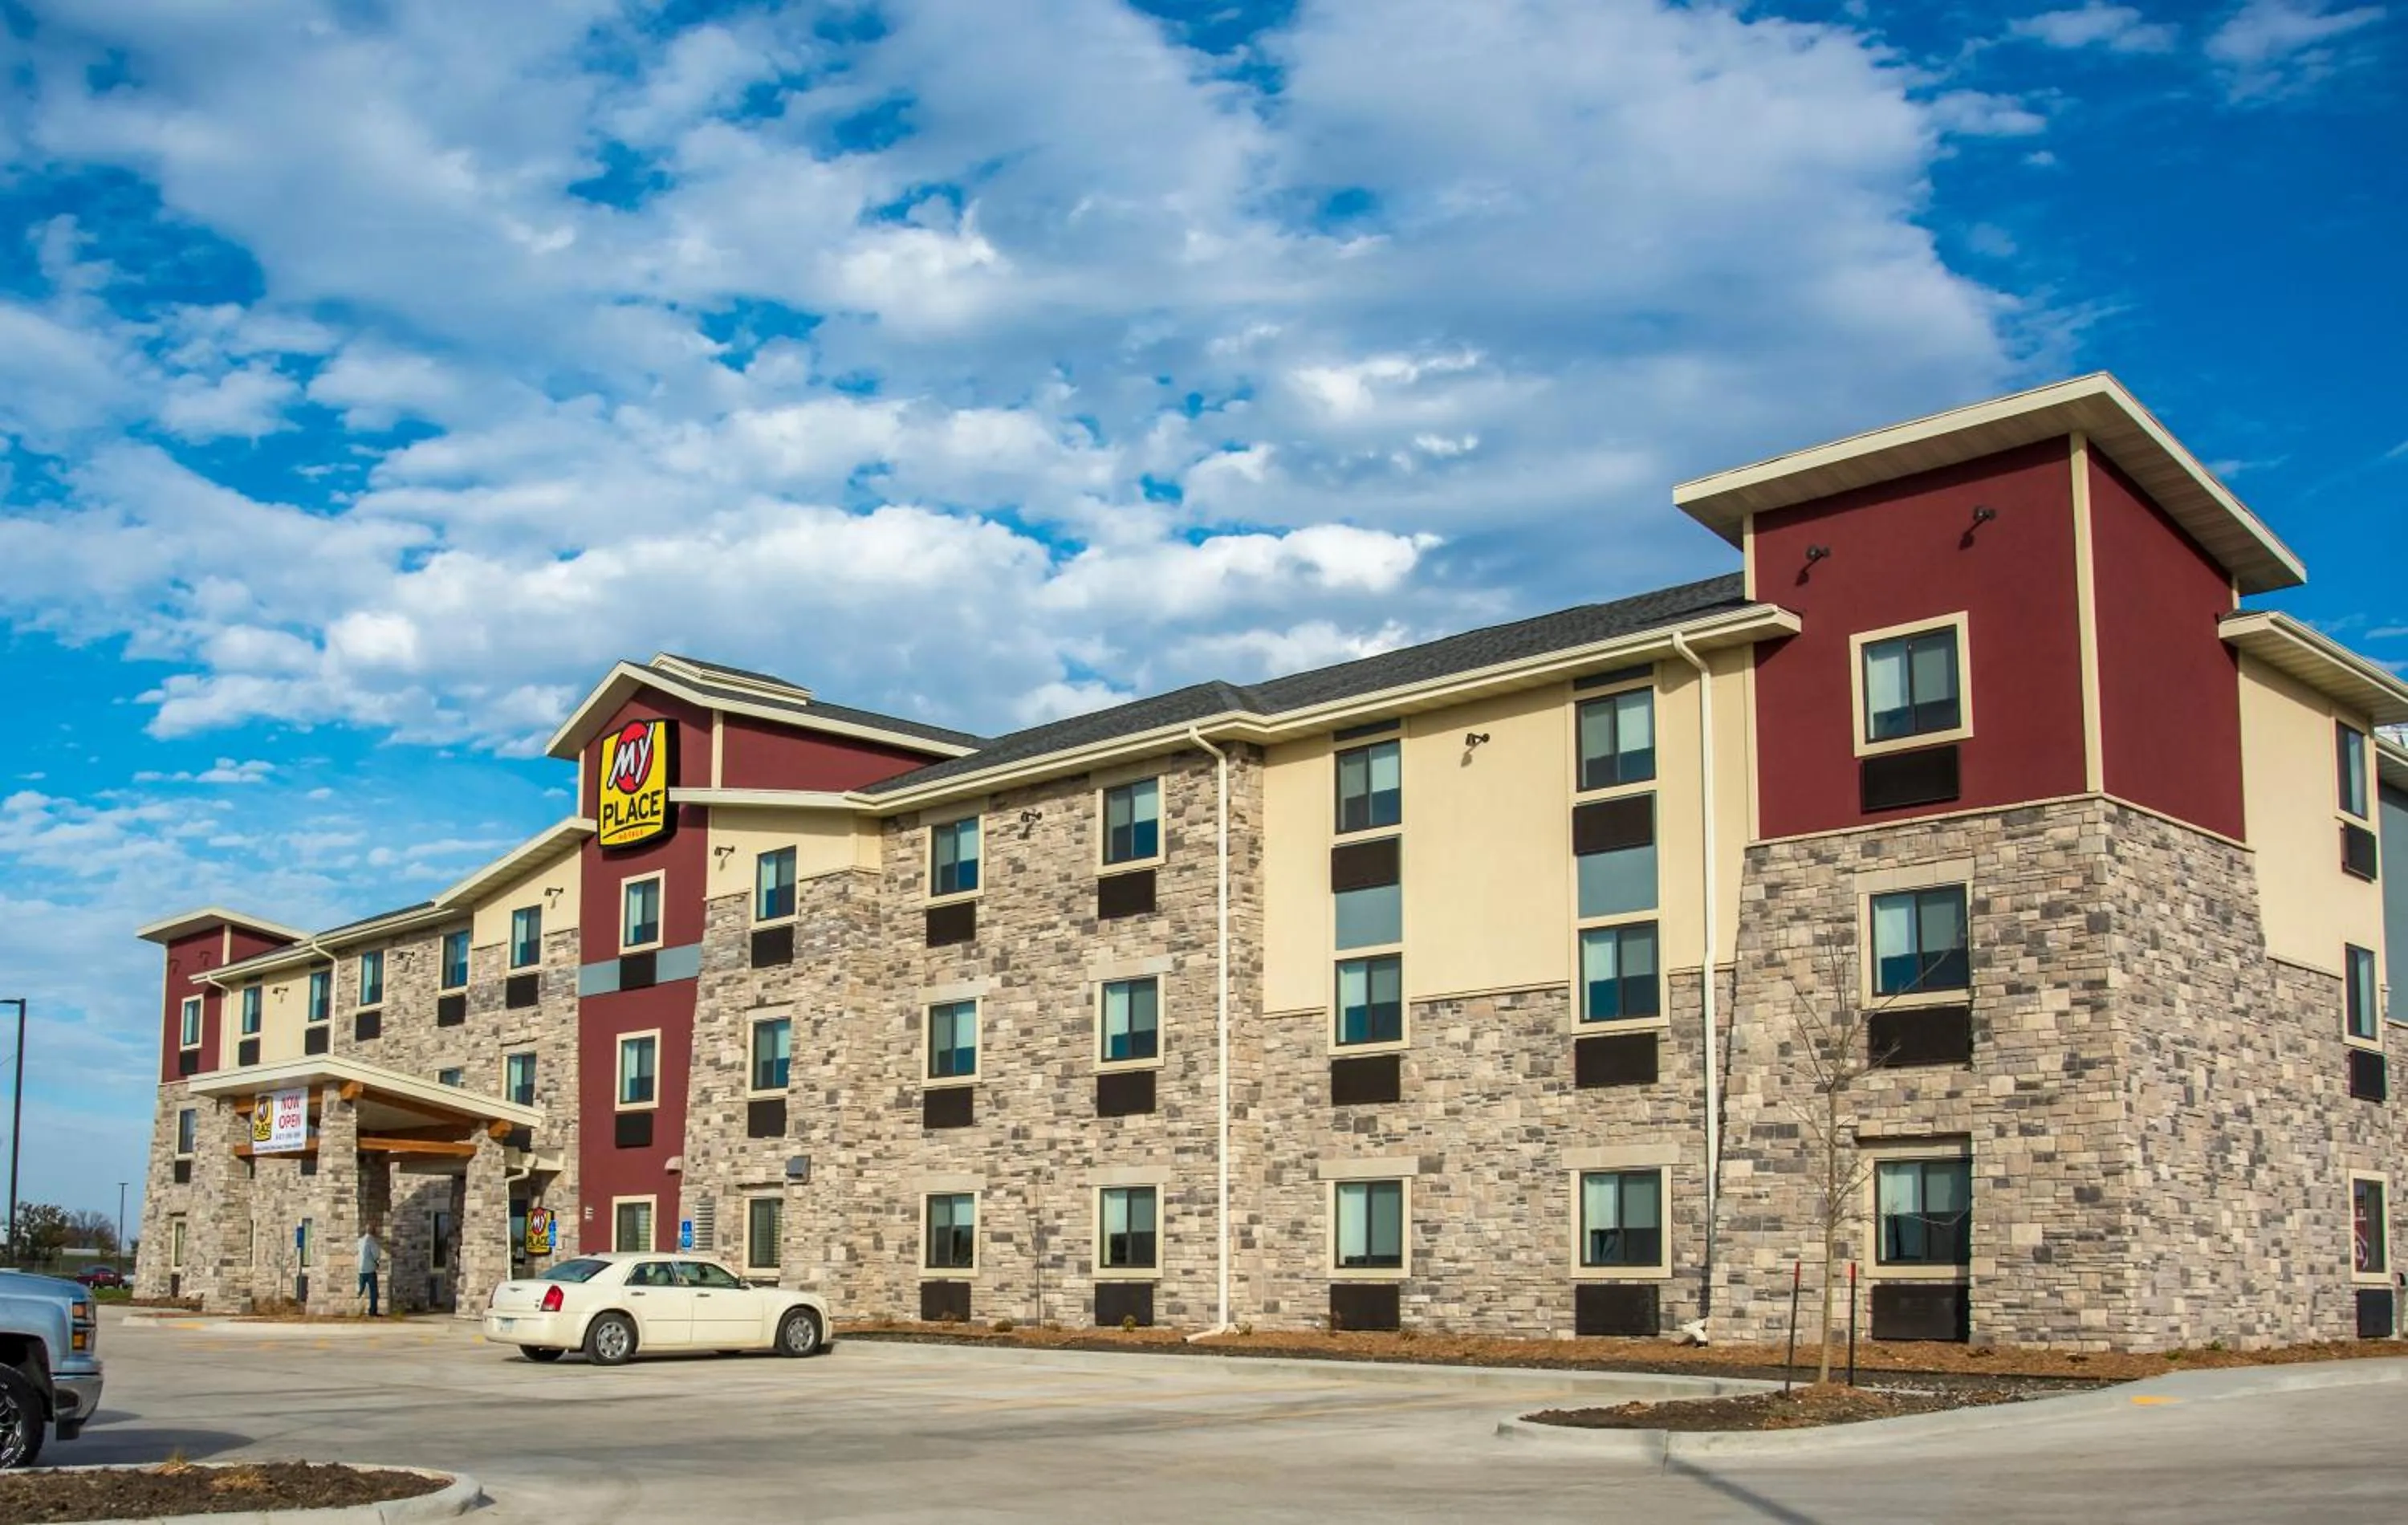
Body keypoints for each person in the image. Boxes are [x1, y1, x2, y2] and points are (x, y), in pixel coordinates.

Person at [356, 1226, 384, 1317]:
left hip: (361, 1269)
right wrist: (377, 1262)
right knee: (373, 1291)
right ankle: (373, 1311)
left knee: (360, 1289)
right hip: (370, 1269)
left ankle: (353, 1307)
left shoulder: (360, 1240)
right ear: (373, 1232)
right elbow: (376, 1254)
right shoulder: (371, 1241)